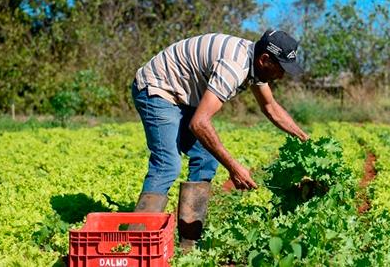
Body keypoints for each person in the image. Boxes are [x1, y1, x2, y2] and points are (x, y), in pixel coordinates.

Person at [130, 29, 309, 248]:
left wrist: (304, 139)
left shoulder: (255, 63)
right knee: (167, 165)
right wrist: (234, 167)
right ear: (264, 60)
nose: (281, 76)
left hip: (183, 97)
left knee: (206, 158)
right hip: (158, 89)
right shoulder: (234, 67)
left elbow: (270, 107)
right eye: (280, 69)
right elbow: (199, 123)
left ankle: (189, 243)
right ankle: (138, 245)